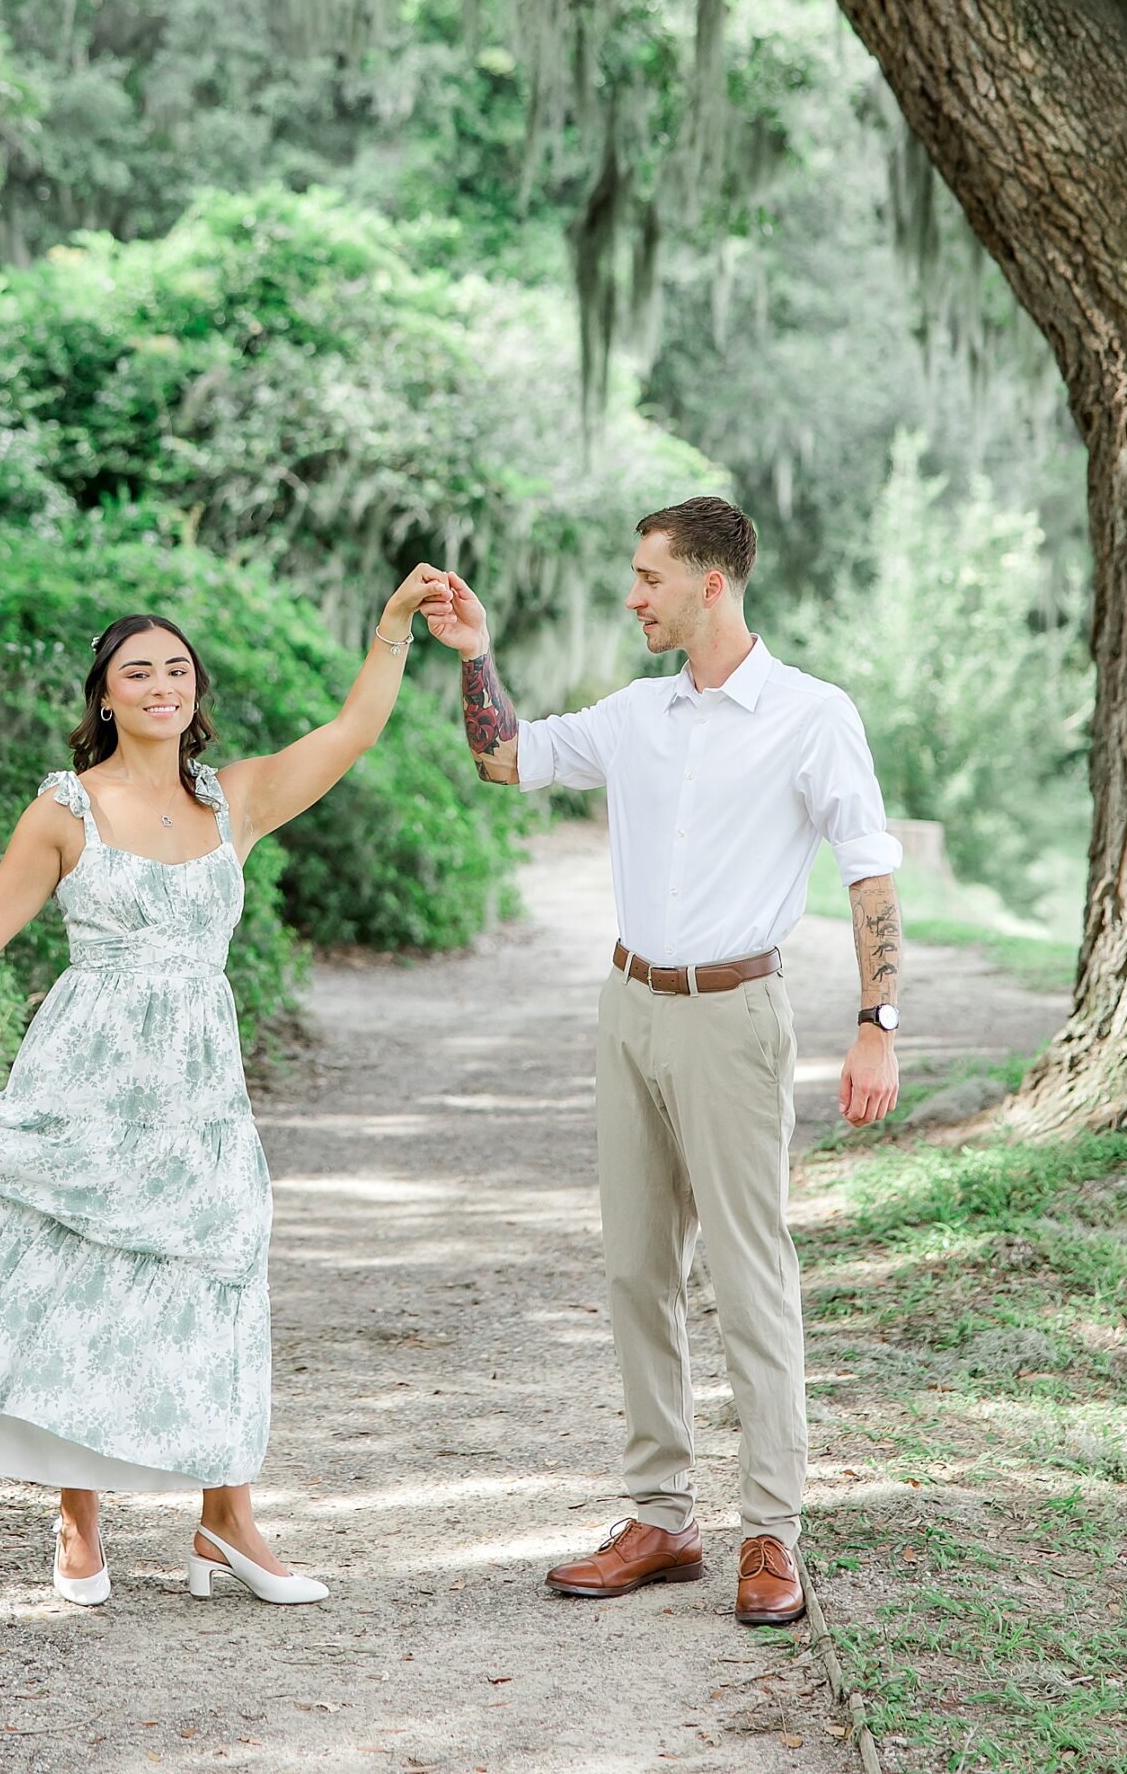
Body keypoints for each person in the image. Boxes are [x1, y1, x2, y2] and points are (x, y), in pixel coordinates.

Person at [0, 566, 447, 1611]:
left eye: (177, 669)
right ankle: (78, 1521)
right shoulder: (65, 809)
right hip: (90, 1065)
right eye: (137, 672)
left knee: (224, 1262)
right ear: (104, 697)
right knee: (81, 1270)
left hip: (200, 1078)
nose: (162, 684)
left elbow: (346, 734)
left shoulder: (232, 797)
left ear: (195, 690)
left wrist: (393, 633)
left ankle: (227, 1517)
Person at [423, 497, 902, 1628]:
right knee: (636, 1266)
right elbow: (504, 758)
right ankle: (662, 1514)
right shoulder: (635, 715)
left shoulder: (811, 714)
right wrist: (475, 655)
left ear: (711, 584)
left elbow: (868, 870)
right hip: (628, 1005)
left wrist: (880, 1017)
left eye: (649, 578)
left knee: (748, 1273)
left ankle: (773, 1531)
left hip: (737, 1017)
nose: (633, 596)